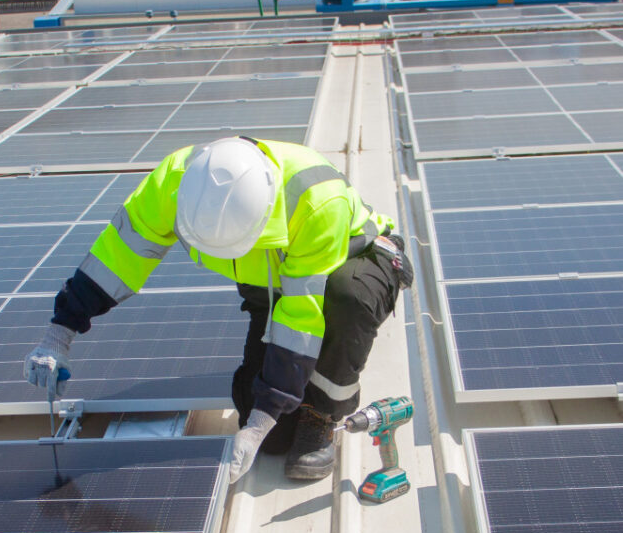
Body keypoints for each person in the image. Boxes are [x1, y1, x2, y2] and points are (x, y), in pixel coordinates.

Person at [24, 137, 413, 484]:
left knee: (347, 299)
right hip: (271, 277)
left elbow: (300, 315)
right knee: (270, 438)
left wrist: (263, 418)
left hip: (357, 257)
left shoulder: (316, 202)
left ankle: (323, 416)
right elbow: (117, 258)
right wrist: (59, 334)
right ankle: (288, 402)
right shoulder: (175, 182)